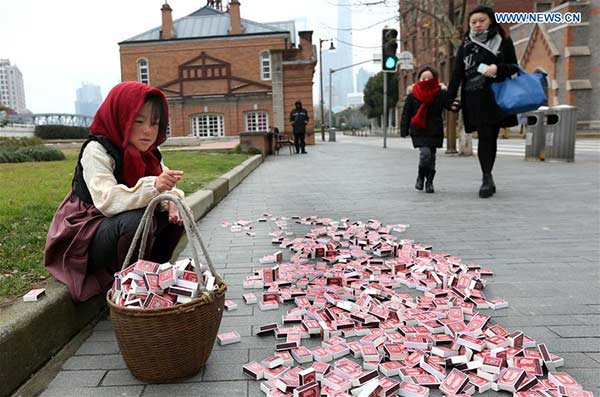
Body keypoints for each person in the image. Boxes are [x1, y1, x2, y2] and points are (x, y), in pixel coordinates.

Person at [44, 81, 185, 302]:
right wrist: (154, 187)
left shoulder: (149, 153)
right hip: (85, 235)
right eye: (138, 121)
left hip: (115, 227)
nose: (148, 130)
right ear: (121, 118)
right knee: (136, 220)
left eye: (154, 123)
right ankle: (130, 293)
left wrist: (173, 201)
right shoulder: (96, 150)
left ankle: (154, 279)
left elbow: (166, 186)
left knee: (175, 216)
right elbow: (107, 201)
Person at [447, 5, 519, 198]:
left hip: (496, 96)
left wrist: (497, 68)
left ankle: (487, 177)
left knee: (490, 135)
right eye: (473, 22)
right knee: (484, 135)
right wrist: (449, 98)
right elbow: (457, 74)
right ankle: (487, 175)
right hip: (474, 97)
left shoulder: (502, 41)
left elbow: (514, 67)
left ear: (491, 21)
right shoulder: (465, 44)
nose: (477, 25)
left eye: (482, 21)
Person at [400, 66, 450, 194]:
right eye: (423, 78)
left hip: (434, 129)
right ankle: (421, 177)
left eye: (429, 78)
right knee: (425, 154)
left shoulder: (440, 94)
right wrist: (404, 129)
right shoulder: (413, 95)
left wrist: (456, 104)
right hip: (419, 129)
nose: (426, 80)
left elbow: (449, 104)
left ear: (435, 80)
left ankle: (429, 182)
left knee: (432, 157)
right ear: (419, 80)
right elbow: (406, 113)